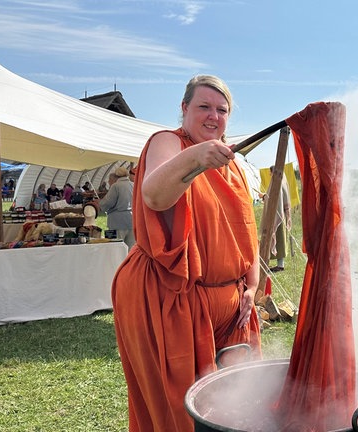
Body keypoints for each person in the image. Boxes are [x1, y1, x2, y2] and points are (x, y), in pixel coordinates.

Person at [111, 74, 262, 432]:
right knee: (178, 408)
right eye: (204, 107)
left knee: (235, 402)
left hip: (227, 304)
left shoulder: (234, 166)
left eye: (222, 110)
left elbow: (245, 232)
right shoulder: (169, 142)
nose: (214, 116)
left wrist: (252, 287)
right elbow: (154, 195)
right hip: (169, 297)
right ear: (184, 109)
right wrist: (196, 158)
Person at [99, 167, 135, 248]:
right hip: (132, 220)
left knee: (116, 247)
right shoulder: (133, 185)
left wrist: (100, 203)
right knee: (131, 248)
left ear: (116, 175)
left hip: (117, 221)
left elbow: (108, 202)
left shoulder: (116, 186)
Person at [267, 165, 292, 272]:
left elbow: (274, 197)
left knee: (279, 241)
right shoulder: (282, 182)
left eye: (270, 172)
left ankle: (280, 265)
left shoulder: (277, 183)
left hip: (277, 216)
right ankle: (279, 264)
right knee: (279, 240)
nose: (270, 175)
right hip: (280, 215)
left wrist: (264, 196)